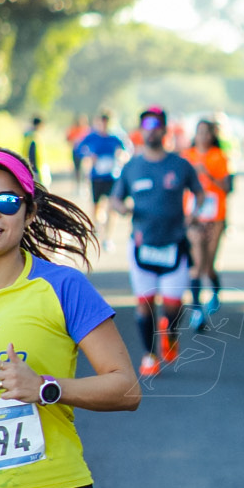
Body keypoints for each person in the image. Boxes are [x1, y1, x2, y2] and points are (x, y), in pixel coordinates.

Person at [0, 146, 140, 488]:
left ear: (29, 210)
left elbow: (125, 388)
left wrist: (45, 388)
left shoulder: (62, 288)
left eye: (7, 201)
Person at [111, 106, 203, 378]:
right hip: (142, 245)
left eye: (156, 126)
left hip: (174, 244)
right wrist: (121, 208)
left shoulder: (180, 164)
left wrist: (193, 216)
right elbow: (116, 198)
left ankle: (170, 332)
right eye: (146, 127)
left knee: (175, 304)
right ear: (142, 132)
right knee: (145, 303)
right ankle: (150, 355)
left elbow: (200, 193)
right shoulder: (132, 166)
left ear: (164, 130)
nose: (151, 132)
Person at [182, 120, 231, 327]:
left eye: (206, 133)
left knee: (208, 266)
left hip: (215, 217)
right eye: (199, 132)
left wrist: (207, 174)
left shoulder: (219, 157)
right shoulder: (187, 156)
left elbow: (227, 187)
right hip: (194, 217)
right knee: (197, 265)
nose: (202, 136)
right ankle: (196, 309)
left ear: (212, 136)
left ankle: (216, 293)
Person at [74, 111, 128, 246]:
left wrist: (121, 155)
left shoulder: (116, 137)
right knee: (96, 206)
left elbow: (128, 150)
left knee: (111, 207)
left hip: (112, 177)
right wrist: (89, 154)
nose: (104, 125)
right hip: (96, 177)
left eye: (107, 122)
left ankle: (108, 238)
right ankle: (98, 224)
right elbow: (79, 149)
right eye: (102, 122)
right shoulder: (92, 137)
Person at [65, 114, 90, 194]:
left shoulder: (87, 129)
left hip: (85, 152)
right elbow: (68, 139)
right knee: (77, 169)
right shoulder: (73, 129)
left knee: (85, 169)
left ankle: (85, 186)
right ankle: (77, 186)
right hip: (75, 152)